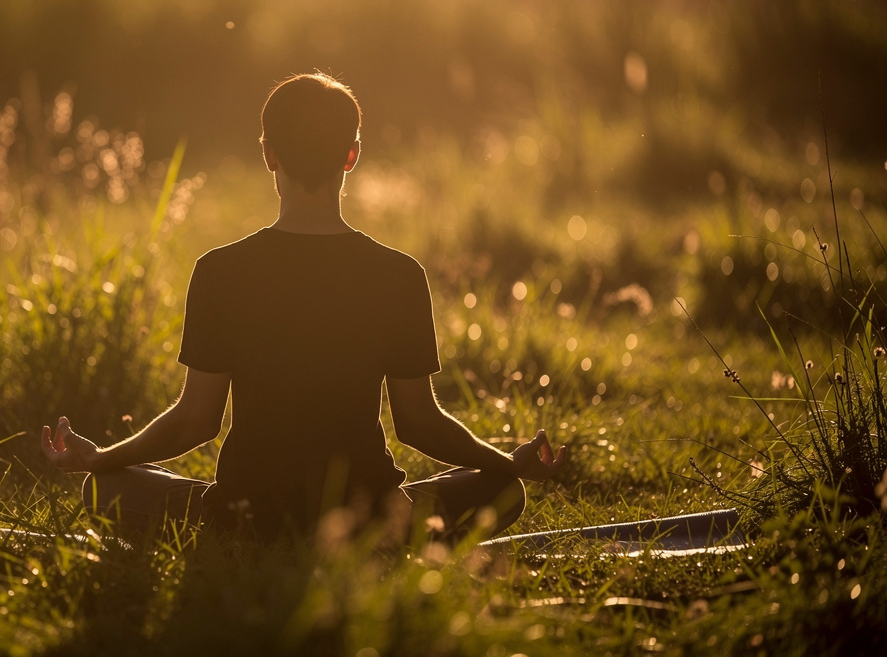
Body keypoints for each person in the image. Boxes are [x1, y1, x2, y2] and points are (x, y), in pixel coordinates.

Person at [42, 72, 566, 541]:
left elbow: (194, 423)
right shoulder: (399, 274)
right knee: (502, 491)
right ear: (352, 155)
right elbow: (421, 424)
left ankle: (224, 526)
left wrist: (102, 458)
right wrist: (507, 464)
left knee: (103, 490)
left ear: (269, 153)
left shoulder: (220, 270)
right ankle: (391, 531)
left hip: (246, 513)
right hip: (369, 518)